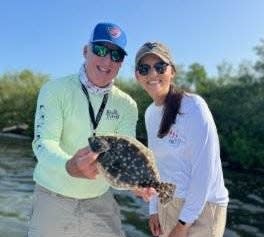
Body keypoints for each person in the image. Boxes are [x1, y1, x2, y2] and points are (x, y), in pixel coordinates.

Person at [29, 22, 151, 237]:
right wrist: (68, 165)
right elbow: (43, 142)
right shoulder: (55, 90)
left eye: (116, 55)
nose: (107, 60)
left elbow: (127, 154)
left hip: (100, 200)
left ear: (122, 63)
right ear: (86, 51)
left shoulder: (128, 105)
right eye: (101, 50)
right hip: (52, 196)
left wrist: (137, 183)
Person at [134, 42, 229, 237]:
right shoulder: (150, 114)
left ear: (172, 71)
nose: (152, 74)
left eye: (160, 67)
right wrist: (153, 210)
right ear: (137, 76)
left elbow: (205, 172)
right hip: (166, 201)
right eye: (144, 68)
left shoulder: (194, 106)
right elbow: (155, 165)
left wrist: (183, 224)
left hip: (203, 210)